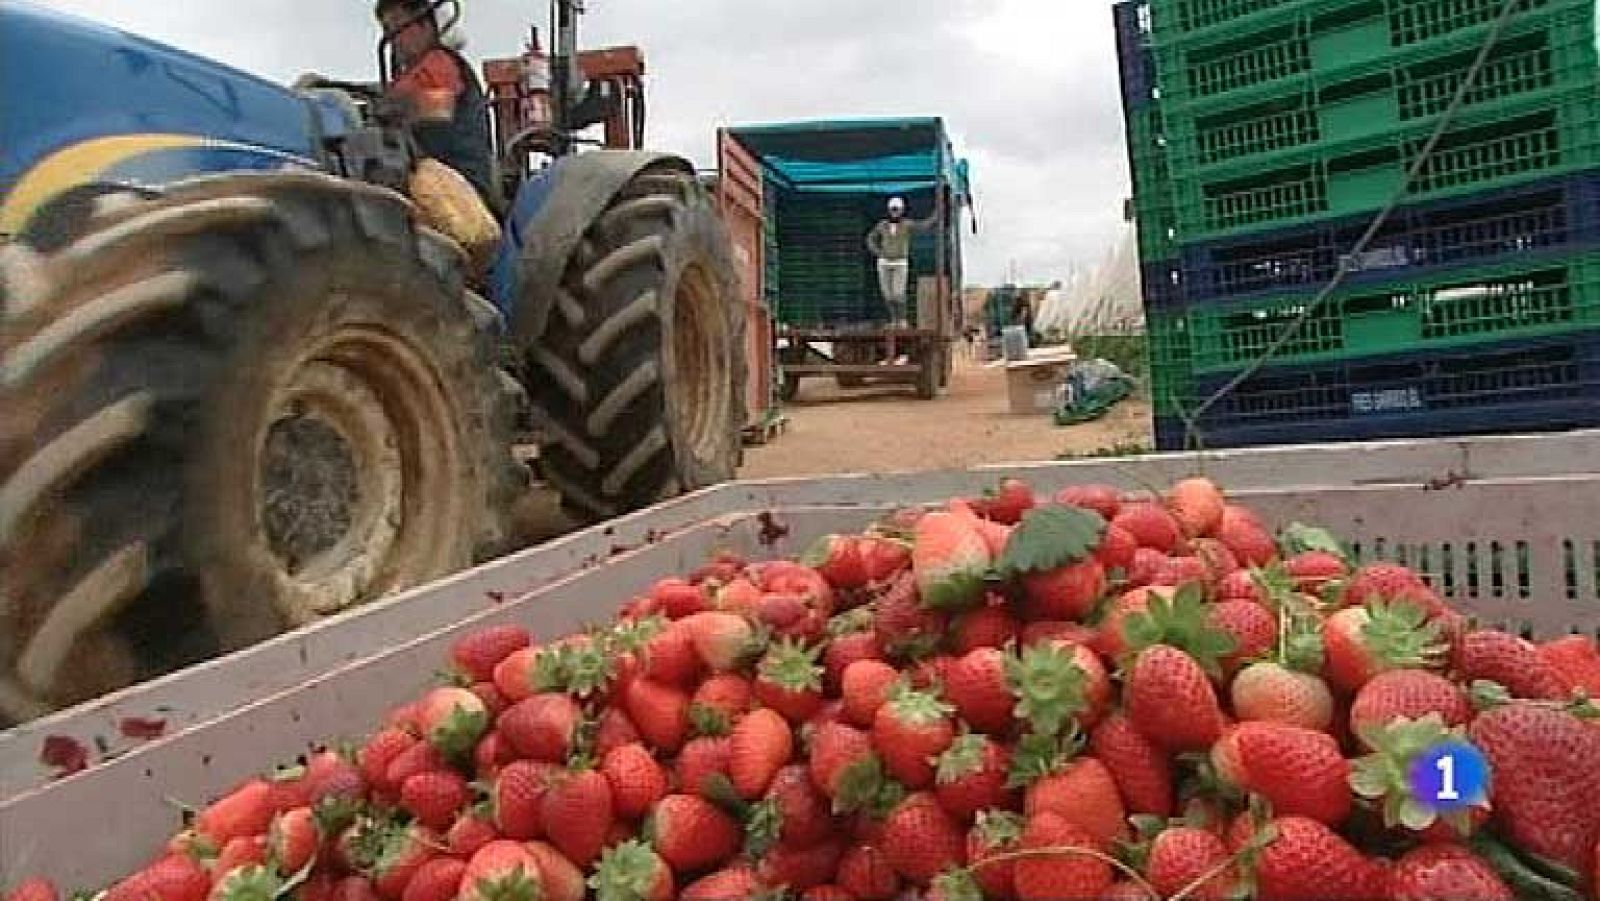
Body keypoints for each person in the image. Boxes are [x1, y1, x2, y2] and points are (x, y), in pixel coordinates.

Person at [375, 0, 500, 212]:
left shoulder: (439, 63)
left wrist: (378, 109)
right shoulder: (420, 74)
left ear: (426, 25)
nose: (392, 38)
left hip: (458, 190)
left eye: (397, 24)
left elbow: (436, 110)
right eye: (386, 29)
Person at [865, 195, 941, 329]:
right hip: (884, 263)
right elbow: (870, 238)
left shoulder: (906, 224)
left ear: (902, 210)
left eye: (897, 209)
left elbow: (924, 225)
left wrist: (936, 213)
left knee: (898, 293)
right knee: (887, 294)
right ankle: (894, 319)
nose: (895, 212)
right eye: (893, 209)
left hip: (900, 262)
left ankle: (902, 319)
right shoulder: (882, 225)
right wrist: (877, 251)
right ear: (889, 210)